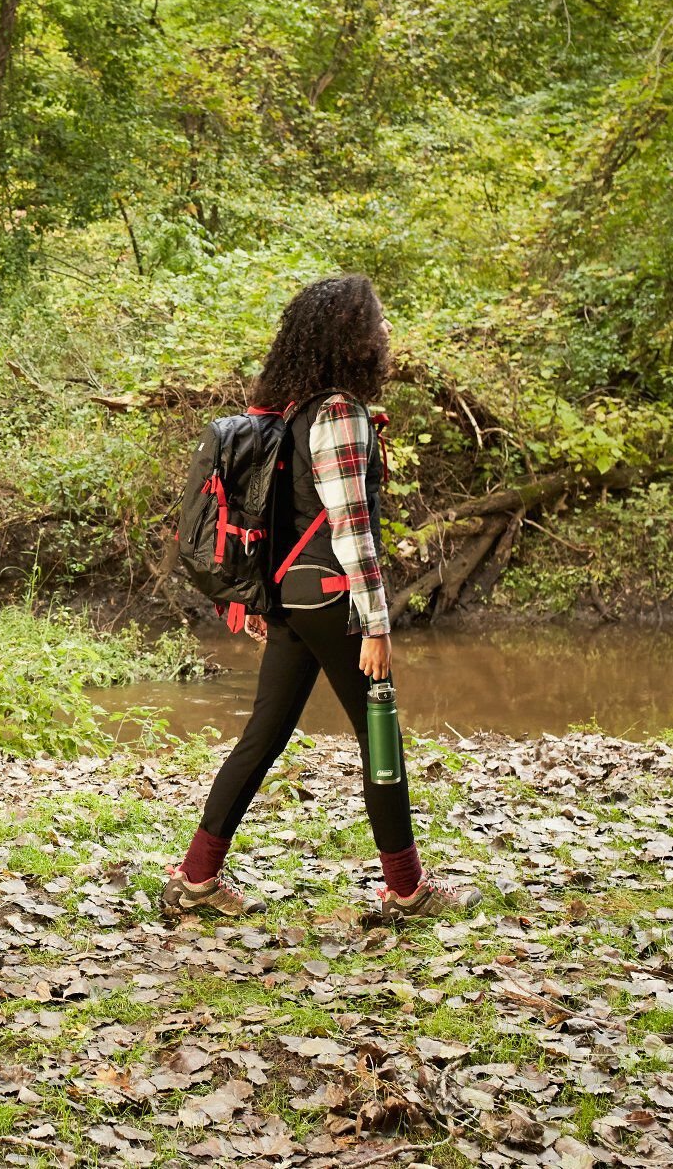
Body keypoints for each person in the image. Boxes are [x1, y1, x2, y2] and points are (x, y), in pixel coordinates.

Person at [162, 274, 481, 922]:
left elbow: (282, 518)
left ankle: (196, 878)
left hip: (294, 598)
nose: (386, 332)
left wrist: (261, 602)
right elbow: (351, 527)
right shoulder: (339, 413)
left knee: (264, 734)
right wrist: (377, 622)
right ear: (350, 338)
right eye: (378, 323)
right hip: (333, 598)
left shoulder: (293, 412)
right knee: (379, 735)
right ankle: (408, 890)